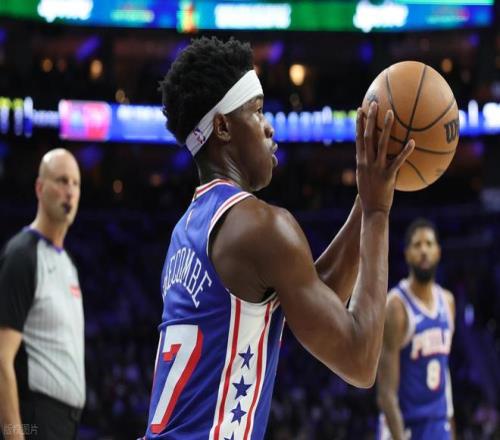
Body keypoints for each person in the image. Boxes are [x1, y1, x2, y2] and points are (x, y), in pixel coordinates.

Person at [143, 36, 414, 439]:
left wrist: (365, 198)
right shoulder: (261, 226)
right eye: (256, 111)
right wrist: (376, 213)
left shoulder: (187, 229)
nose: (269, 125)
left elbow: (313, 293)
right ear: (222, 127)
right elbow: (360, 361)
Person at [0, 149, 85, 440]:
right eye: (61, 181)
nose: (70, 191)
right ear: (40, 188)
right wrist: (14, 433)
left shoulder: (68, 264)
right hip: (35, 421)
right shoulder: (22, 255)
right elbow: (1, 358)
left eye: (75, 183)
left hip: (64, 425)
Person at [377, 218, 455, 440]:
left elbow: (445, 373)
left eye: (429, 244)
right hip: (404, 425)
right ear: (407, 254)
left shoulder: (448, 302)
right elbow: (386, 393)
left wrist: (450, 427)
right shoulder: (396, 307)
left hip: (438, 423)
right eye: (417, 245)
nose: (423, 251)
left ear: (438, 252)